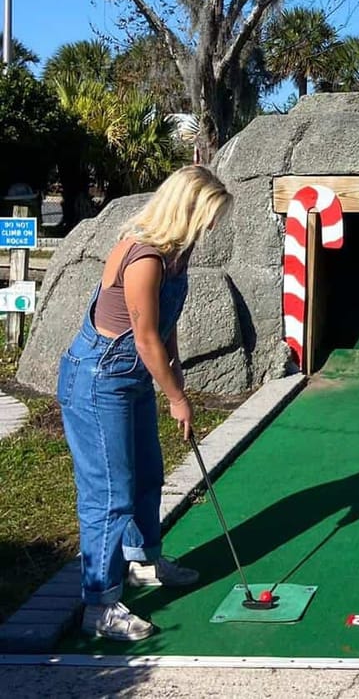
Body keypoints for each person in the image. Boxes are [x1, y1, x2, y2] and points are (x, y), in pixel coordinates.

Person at [57, 164, 232, 641]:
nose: (211, 228)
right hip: (99, 378)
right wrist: (176, 397)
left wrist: (177, 373)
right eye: (208, 217)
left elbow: (166, 324)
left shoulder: (177, 254)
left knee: (148, 474)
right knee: (110, 493)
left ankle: (143, 562)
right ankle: (100, 605)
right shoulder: (144, 257)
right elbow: (145, 337)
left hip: (131, 377)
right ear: (186, 210)